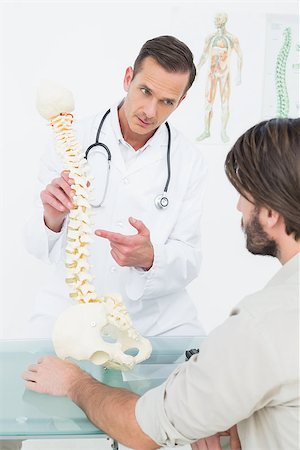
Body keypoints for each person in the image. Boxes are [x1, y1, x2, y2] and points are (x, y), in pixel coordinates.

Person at [23, 118, 300, 450]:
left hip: (154, 340)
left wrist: (73, 382)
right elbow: (37, 244)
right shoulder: (74, 139)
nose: (238, 206)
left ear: (271, 213)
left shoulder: (261, 325)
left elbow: (142, 429)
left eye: (244, 195)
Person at [24, 35, 207, 338]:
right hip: (70, 311)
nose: (150, 111)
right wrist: (51, 218)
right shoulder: (71, 138)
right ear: (128, 78)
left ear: (181, 101)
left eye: (167, 102)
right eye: (145, 91)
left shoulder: (189, 161)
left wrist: (151, 257)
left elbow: (190, 258)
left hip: (155, 322)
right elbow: (33, 244)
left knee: (199, 376)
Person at [196, 12, 243, 143]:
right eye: (216, 18)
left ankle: (223, 131)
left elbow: (240, 55)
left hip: (224, 74)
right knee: (208, 103)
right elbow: (204, 55)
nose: (217, 20)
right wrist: (197, 69)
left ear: (224, 20)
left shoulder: (232, 38)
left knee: (224, 103)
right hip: (212, 74)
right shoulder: (210, 38)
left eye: (219, 18)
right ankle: (206, 130)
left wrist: (239, 74)